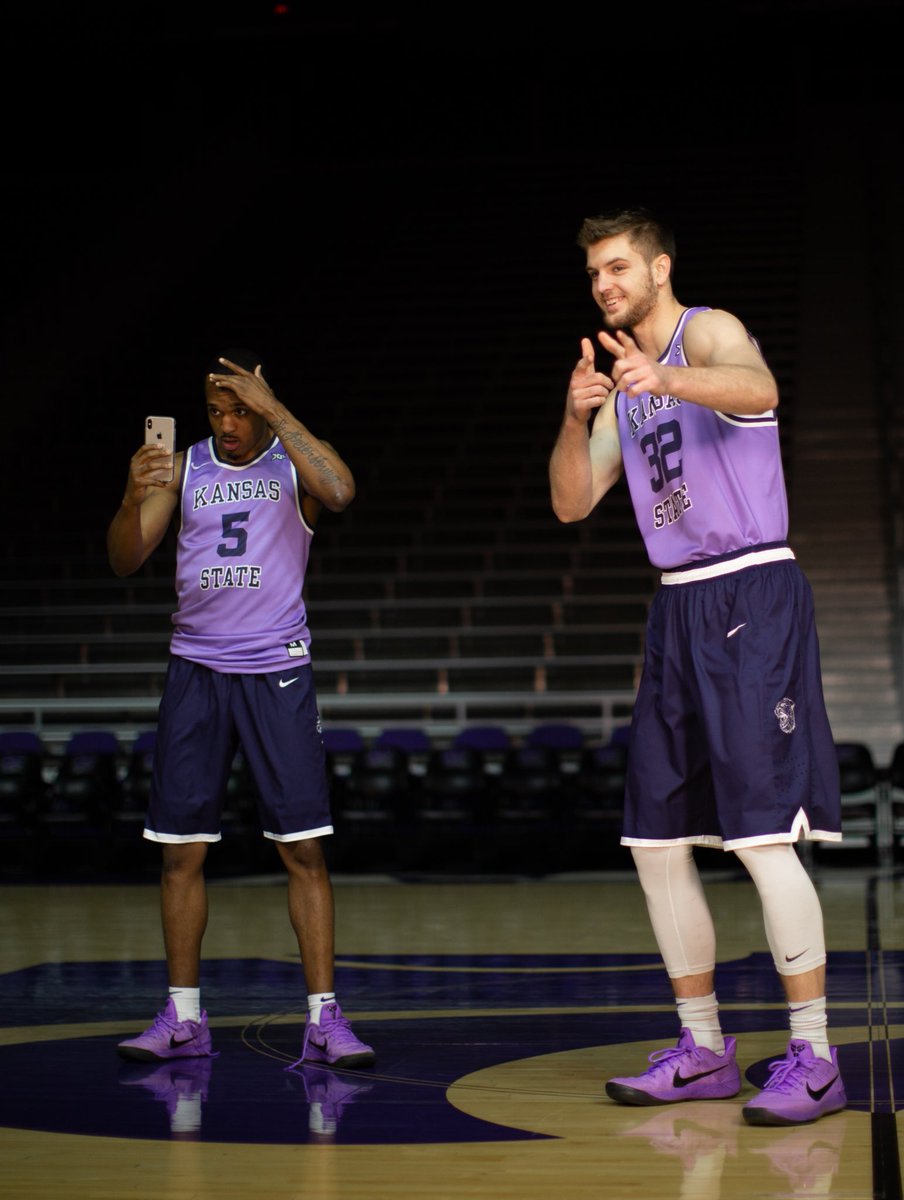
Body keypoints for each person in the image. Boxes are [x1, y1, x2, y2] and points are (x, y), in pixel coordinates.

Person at [548, 208, 845, 1126]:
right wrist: (576, 415)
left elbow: (761, 393)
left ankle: (816, 1056)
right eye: (595, 271)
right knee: (655, 840)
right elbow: (570, 502)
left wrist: (665, 372)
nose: (605, 282)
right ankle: (705, 1047)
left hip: (750, 590)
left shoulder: (701, 330)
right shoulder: (622, 381)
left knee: (759, 836)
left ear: (659, 266)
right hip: (678, 603)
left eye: (619, 266)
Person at [107, 348, 375, 1071]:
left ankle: (324, 1020)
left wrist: (276, 412)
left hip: (276, 673)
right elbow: (127, 559)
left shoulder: (292, 461)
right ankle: (185, 1017)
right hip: (196, 670)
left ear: (262, 404)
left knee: (303, 850)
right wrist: (133, 498)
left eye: (239, 410)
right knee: (180, 853)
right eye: (217, 412)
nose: (227, 424)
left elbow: (343, 491)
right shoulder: (186, 467)